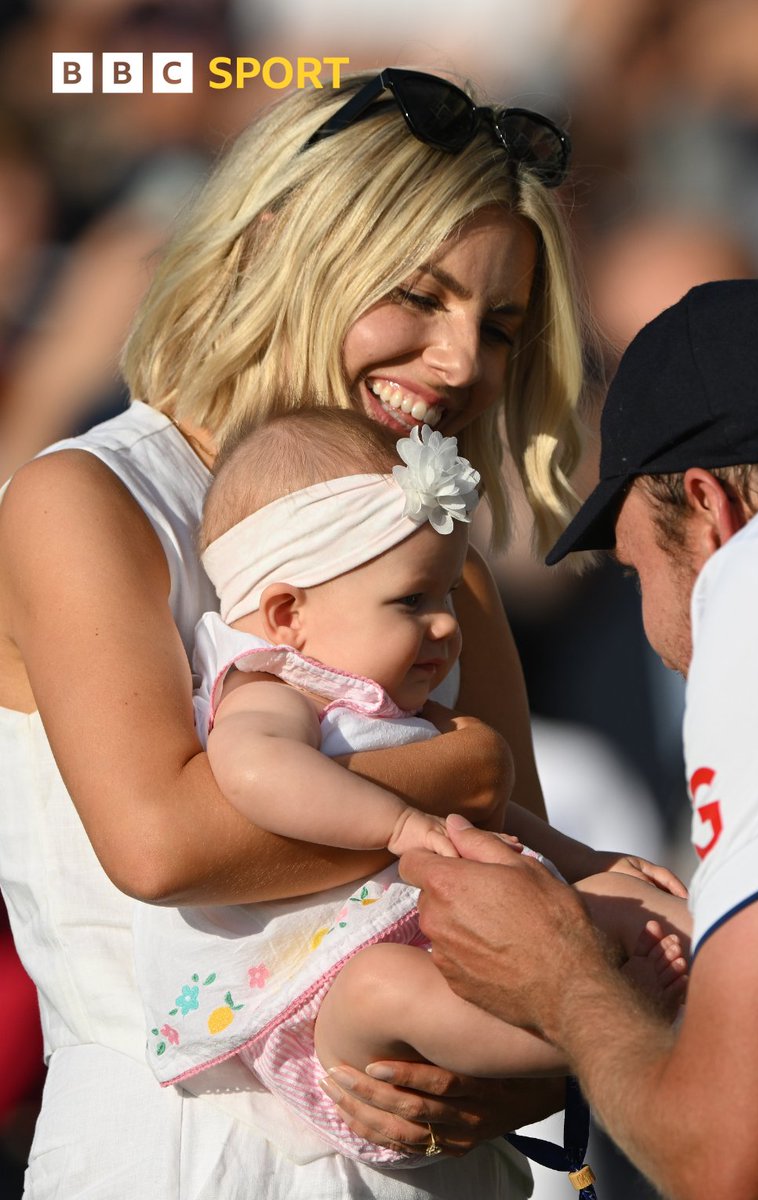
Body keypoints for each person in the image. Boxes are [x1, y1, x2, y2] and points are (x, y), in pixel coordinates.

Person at [0, 66, 592, 1198]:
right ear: (277, 245)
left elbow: (510, 898)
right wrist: (467, 767)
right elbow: (161, 842)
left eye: (500, 324)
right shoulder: (84, 499)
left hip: (435, 1157)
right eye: (418, 296)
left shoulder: (438, 556)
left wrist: (509, 1082)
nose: (462, 361)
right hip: (177, 1153)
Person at [396, 274, 758, 1200]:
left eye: (633, 568)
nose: (659, 637)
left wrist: (560, 980)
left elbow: (740, 1172)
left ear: (709, 511)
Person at [135, 407, 690, 1167]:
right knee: (386, 987)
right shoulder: (271, 689)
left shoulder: (398, 708)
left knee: (630, 897)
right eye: (412, 601)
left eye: (446, 599)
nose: (443, 627)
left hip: (464, 941)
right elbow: (255, 772)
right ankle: (615, 1033)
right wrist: (395, 825)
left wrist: (587, 860)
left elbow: (490, 812)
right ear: (288, 614)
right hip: (334, 1017)